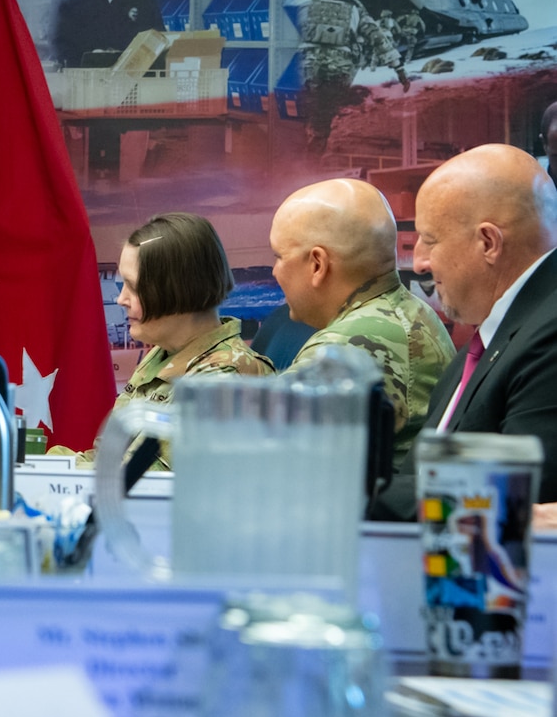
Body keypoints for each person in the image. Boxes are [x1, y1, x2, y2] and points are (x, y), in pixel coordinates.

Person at [371, 144, 557, 522]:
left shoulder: (548, 334)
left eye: (431, 240)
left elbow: (514, 502)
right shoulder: (483, 346)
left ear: (488, 242)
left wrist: (343, 490)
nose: (419, 261)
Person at [57, 213, 273, 469]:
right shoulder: (164, 355)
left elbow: (135, 483)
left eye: (133, 287)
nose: (121, 299)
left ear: (176, 290)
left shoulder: (221, 384)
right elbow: (107, 460)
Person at [269, 178, 454, 469]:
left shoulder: (345, 346)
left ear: (318, 264)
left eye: (279, 256)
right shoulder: (408, 312)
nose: (274, 271)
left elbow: (256, 456)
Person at [299, 0, 409, 152]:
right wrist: (399, 68)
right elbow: (378, 38)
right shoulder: (356, 9)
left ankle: (301, 143)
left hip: (307, 64)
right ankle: (317, 146)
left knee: (307, 104)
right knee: (327, 109)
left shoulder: (306, 7)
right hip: (341, 66)